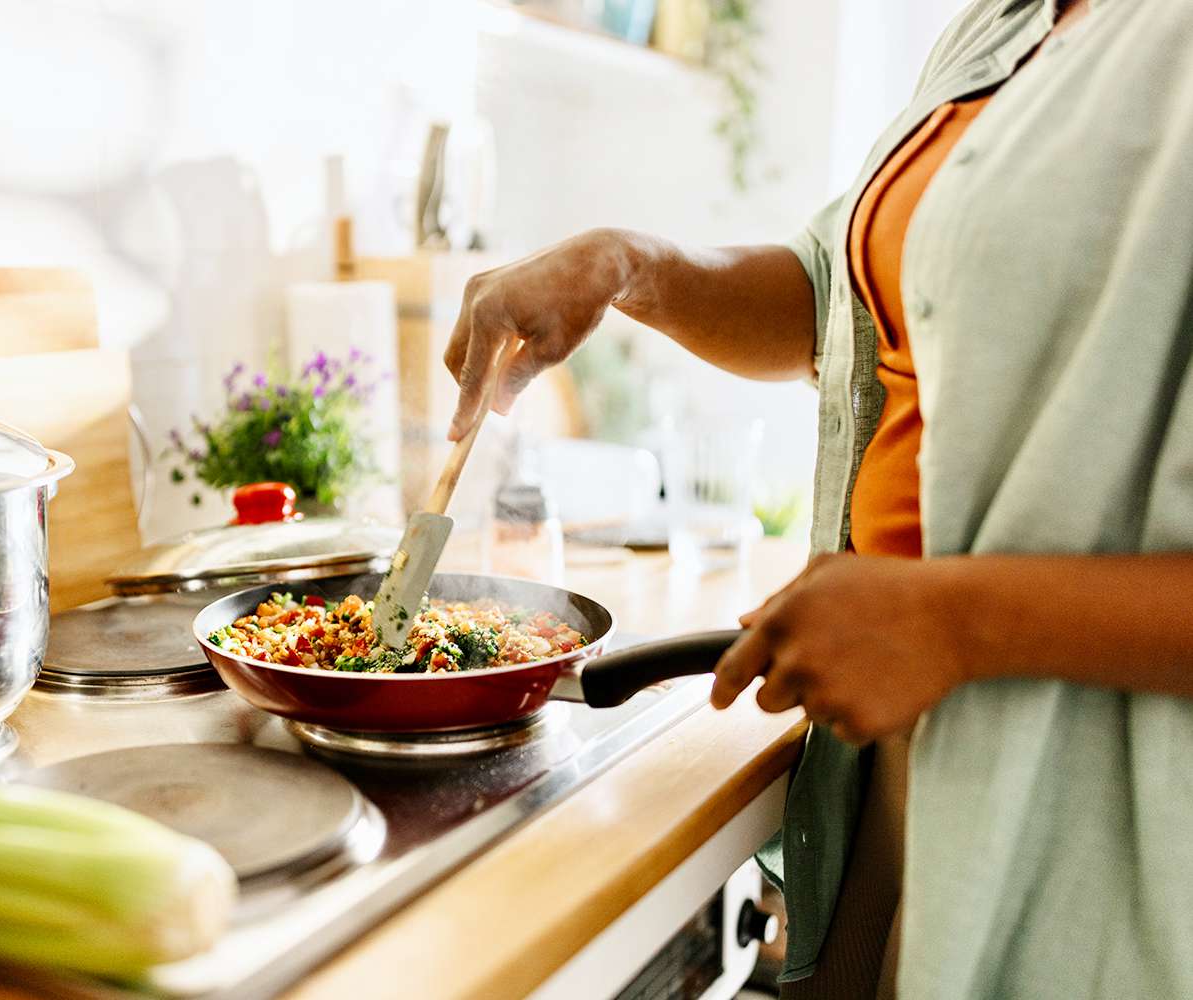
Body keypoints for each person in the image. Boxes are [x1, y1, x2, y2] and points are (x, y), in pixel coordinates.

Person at [442, 1, 1193, 997]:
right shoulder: (1007, 23)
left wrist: (952, 620)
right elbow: (835, 292)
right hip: (901, 738)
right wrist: (624, 263)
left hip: (1096, 799)